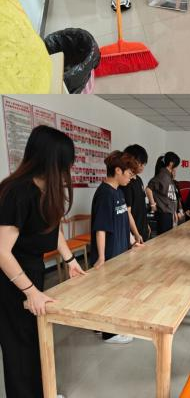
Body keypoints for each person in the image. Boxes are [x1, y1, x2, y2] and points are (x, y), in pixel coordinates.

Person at [0, 126, 86, 398]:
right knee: (20, 346)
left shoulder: (46, 189)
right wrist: (30, 291)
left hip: (32, 270)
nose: (68, 170)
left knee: (34, 338)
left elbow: (52, 227)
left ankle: (41, 391)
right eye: (65, 163)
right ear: (50, 161)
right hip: (10, 277)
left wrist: (70, 260)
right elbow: (2, 252)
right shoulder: (17, 192)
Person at [90, 150, 143, 343]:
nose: (131, 178)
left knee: (116, 290)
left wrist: (133, 241)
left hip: (120, 250)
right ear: (118, 170)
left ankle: (100, 326)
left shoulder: (118, 191)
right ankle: (109, 334)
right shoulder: (105, 194)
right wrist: (101, 256)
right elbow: (100, 228)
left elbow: (122, 220)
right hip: (109, 252)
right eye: (129, 173)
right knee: (109, 292)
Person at [121, 144, 154, 242]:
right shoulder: (126, 183)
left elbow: (141, 205)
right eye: (141, 163)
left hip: (142, 228)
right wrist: (135, 233)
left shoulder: (139, 180)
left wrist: (146, 224)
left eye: (144, 164)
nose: (142, 166)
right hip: (133, 233)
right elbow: (127, 212)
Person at [148, 152, 184, 235]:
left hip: (169, 213)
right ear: (171, 164)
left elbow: (171, 197)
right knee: (163, 238)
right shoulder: (162, 175)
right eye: (176, 166)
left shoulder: (168, 176)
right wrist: (153, 205)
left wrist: (174, 212)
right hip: (164, 214)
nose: (176, 169)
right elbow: (148, 189)